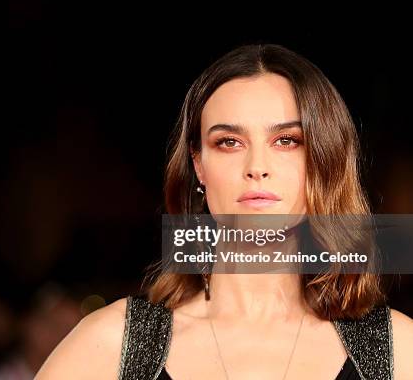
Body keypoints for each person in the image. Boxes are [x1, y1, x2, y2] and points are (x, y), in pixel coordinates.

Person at [36, 44, 413, 379]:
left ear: (324, 160)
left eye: (287, 140)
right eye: (229, 142)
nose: (257, 165)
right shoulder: (113, 345)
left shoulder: (397, 351)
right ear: (199, 165)